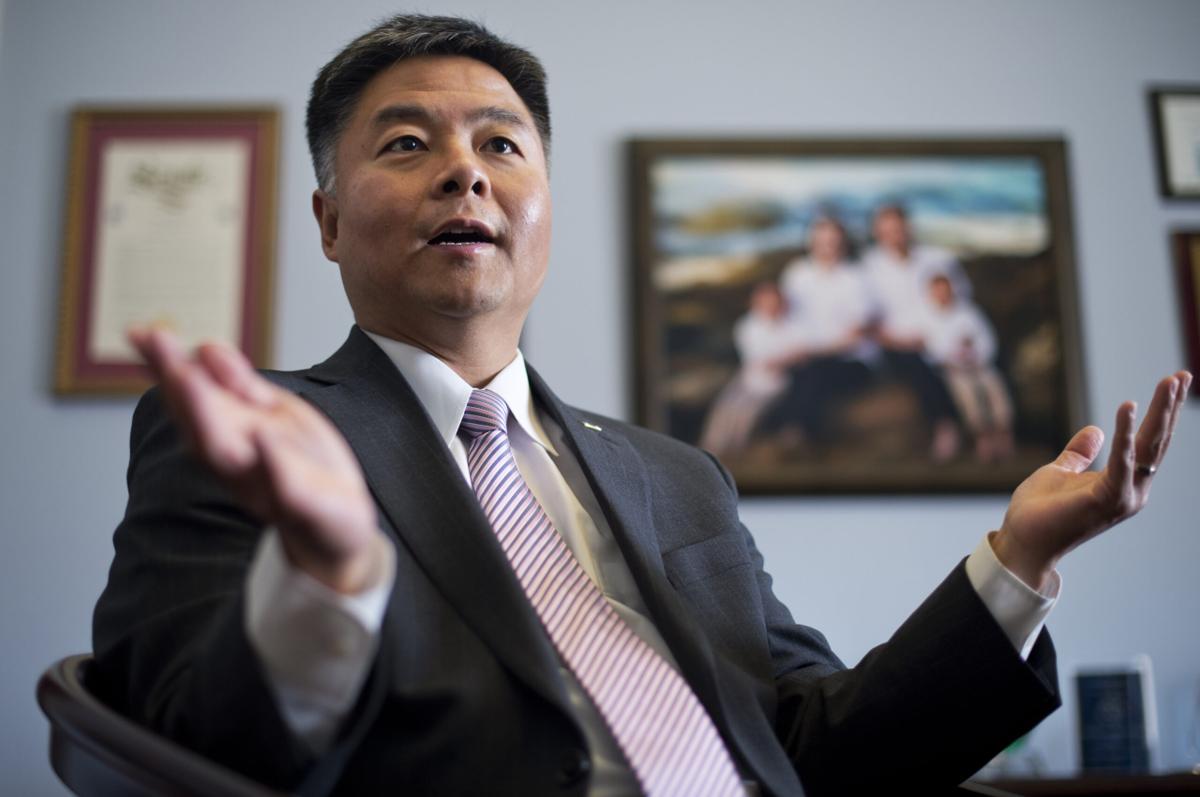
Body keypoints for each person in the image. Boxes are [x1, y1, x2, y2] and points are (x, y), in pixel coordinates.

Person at [91, 14, 1191, 797]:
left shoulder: (677, 475)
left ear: (545, 211)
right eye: (408, 143)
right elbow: (179, 750)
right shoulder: (260, 441)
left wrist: (1018, 559)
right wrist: (323, 575)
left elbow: (818, 745)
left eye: (501, 144)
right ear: (328, 221)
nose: (466, 173)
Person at [863, 203, 970, 461]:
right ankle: (946, 426)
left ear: (909, 228)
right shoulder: (870, 266)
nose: (894, 236)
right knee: (918, 368)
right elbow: (866, 316)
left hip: (942, 333)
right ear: (877, 233)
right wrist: (894, 340)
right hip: (896, 343)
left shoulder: (938, 258)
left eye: (898, 229)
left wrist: (943, 333)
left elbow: (962, 298)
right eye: (887, 231)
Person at [767, 214, 873, 445]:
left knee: (814, 374)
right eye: (822, 242)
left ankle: (794, 433)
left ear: (843, 243)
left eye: (833, 242)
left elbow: (856, 335)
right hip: (803, 355)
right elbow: (782, 317)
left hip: (850, 360)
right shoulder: (796, 274)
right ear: (811, 243)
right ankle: (790, 432)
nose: (828, 248)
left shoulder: (856, 277)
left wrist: (812, 351)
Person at [699, 282, 806, 458]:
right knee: (726, 409)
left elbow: (799, 353)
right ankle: (710, 451)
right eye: (765, 301)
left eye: (773, 301)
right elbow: (758, 358)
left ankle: (734, 452)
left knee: (746, 413)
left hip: (777, 383)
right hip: (749, 379)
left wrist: (783, 361)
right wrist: (783, 359)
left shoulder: (792, 326)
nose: (770, 305)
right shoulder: (748, 325)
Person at [921, 274, 1016, 462]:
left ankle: (1003, 437)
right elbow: (933, 350)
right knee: (968, 397)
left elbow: (986, 339)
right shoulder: (928, 318)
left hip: (981, 365)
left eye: (944, 289)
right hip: (954, 370)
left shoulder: (969, 312)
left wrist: (978, 357)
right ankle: (983, 439)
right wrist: (954, 360)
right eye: (937, 290)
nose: (942, 294)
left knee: (995, 390)